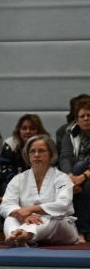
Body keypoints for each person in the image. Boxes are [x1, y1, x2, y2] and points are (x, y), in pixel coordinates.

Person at [0, 135, 78, 247]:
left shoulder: (62, 178)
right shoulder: (18, 179)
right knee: (10, 217)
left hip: (60, 228)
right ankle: (16, 236)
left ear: (51, 155)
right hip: (27, 221)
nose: (36, 155)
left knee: (52, 217)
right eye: (32, 151)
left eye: (41, 151)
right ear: (28, 156)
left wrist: (31, 209)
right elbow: (6, 205)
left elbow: (63, 205)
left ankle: (23, 235)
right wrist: (23, 216)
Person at [59, 98, 90, 242]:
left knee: (80, 169)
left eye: (89, 115)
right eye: (82, 116)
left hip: (83, 175)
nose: (86, 119)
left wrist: (83, 176)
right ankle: (82, 230)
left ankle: (80, 230)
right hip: (77, 177)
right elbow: (65, 157)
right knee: (84, 183)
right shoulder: (70, 134)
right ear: (77, 120)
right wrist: (70, 177)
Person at [0, 114, 49, 196]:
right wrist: (20, 182)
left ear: (39, 131)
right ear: (19, 130)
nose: (28, 132)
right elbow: (4, 169)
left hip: (40, 181)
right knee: (5, 186)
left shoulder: (46, 145)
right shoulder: (10, 144)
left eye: (32, 128)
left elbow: (50, 166)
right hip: (14, 180)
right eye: (24, 128)